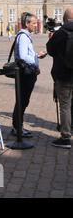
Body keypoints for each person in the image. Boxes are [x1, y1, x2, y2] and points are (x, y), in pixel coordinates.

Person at [11, 12, 47, 138]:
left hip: (27, 72)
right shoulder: (23, 37)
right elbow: (22, 56)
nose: (36, 25)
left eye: (36, 23)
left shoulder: (25, 36)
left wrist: (37, 56)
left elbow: (26, 55)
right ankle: (17, 128)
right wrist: (36, 59)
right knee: (22, 100)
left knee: (23, 100)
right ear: (27, 23)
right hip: (25, 74)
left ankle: (17, 126)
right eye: (33, 23)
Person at [47, 8, 73, 148]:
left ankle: (65, 136)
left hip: (64, 75)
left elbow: (50, 50)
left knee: (65, 106)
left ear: (64, 19)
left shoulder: (61, 33)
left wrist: (51, 39)